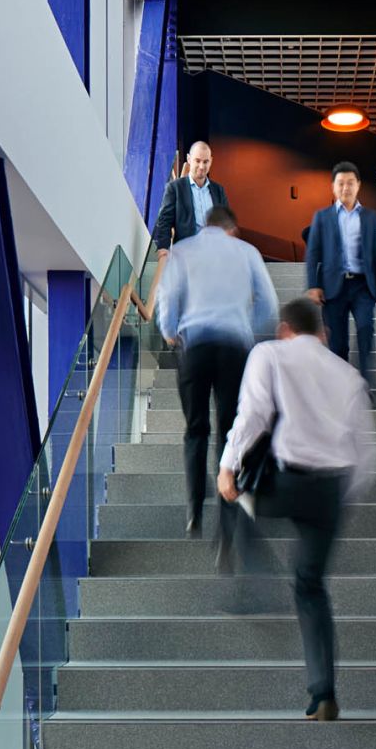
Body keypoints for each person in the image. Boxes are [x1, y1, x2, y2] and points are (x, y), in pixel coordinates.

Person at [218, 297, 376, 721]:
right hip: (330, 491)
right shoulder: (347, 375)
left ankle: (257, 582)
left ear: (284, 328)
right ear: (322, 333)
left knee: (233, 499)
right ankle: (323, 693)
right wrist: (342, 503)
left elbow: (253, 414)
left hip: (284, 483)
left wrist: (227, 467)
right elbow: (367, 454)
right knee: (310, 586)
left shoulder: (269, 354)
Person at [156, 206, 278, 563]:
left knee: (195, 430)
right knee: (231, 434)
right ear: (232, 229)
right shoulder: (247, 253)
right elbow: (268, 305)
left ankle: (194, 510)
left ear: (204, 226)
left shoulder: (181, 251)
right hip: (234, 350)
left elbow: (167, 299)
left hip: (194, 348)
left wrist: (171, 332)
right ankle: (227, 529)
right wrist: (247, 332)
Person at [305, 161, 376, 385]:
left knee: (365, 329)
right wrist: (313, 285)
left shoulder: (370, 217)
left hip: (363, 285)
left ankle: (365, 385)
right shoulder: (322, 217)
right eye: (340, 183)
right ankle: (340, 388)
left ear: (358, 185)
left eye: (350, 183)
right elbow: (313, 253)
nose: (345, 188)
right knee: (338, 343)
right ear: (333, 187)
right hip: (333, 287)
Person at [151, 141, 227, 257]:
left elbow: (226, 222)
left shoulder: (218, 190)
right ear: (189, 159)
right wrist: (163, 248)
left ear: (211, 161)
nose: (202, 166)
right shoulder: (175, 188)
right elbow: (164, 221)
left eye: (205, 162)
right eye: (197, 161)